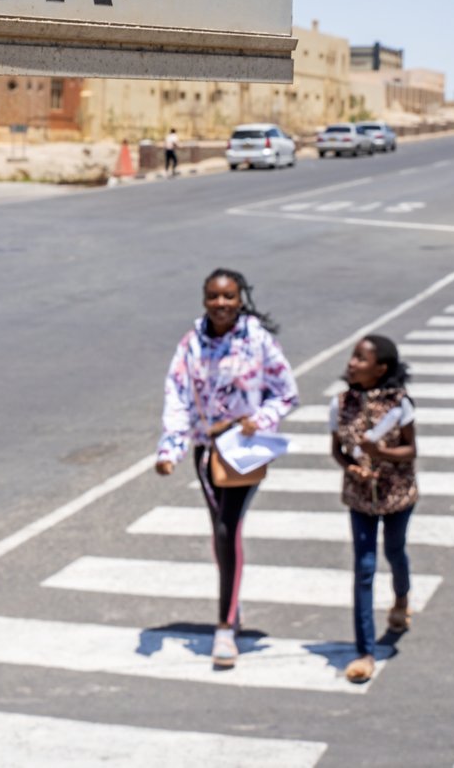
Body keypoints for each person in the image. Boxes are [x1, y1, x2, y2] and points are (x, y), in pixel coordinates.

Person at [155, 268, 299, 670]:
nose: (221, 304)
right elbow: (177, 398)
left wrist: (261, 419)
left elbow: (286, 394)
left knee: (226, 527)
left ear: (241, 299)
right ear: (204, 299)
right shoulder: (190, 345)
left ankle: (224, 626)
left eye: (229, 297)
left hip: (245, 450)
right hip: (207, 454)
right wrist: (171, 451)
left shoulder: (257, 340)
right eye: (213, 297)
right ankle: (232, 604)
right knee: (222, 530)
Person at [330, 334, 418, 684]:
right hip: (360, 497)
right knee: (364, 567)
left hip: (396, 494)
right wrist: (349, 467)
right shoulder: (341, 403)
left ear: (380, 369)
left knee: (394, 552)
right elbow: (337, 448)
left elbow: (410, 450)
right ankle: (364, 651)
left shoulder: (400, 403)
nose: (352, 363)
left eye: (361, 359)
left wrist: (381, 454)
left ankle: (401, 599)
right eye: (353, 356)